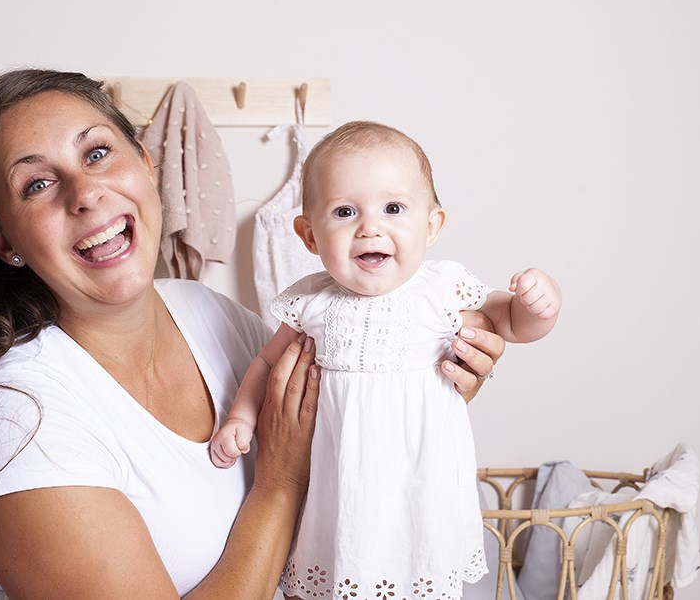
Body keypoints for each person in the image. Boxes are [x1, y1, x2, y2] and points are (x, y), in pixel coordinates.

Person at [0, 70, 505, 599]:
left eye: (98, 152)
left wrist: (429, 380)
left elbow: (353, 453)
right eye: (38, 183)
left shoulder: (213, 316)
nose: (86, 192)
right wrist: (277, 484)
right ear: (4, 242)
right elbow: (295, 471)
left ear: (147, 168)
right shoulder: (16, 418)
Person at [209, 121, 562, 600]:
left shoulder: (440, 289)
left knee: (421, 571)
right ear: (309, 235)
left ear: (432, 225)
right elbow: (267, 365)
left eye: (393, 208)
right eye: (344, 211)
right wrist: (241, 418)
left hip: (419, 484)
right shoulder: (311, 302)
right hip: (339, 485)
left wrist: (538, 305)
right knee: (328, 573)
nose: (369, 226)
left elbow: (510, 324)